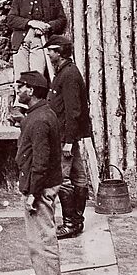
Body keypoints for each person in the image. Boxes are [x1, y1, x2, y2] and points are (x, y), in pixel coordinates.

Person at [15, 69, 64, 275]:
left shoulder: (39, 120)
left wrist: (33, 193)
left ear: (31, 90)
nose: (18, 89)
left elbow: (41, 162)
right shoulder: (42, 114)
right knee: (39, 239)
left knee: (43, 239)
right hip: (41, 185)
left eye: (21, 86)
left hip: (40, 188)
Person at [46, 35, 94, 239]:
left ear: (59, 52)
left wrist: (68, 142)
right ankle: (76, 221)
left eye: (51, 51)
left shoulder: (69, 75)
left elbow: (74, 111)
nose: (48, 54)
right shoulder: (65, 72)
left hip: (66, 137)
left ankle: (71, 223)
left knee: (64, 180)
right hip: (67, 136)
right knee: (79, 178)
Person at [6, 0, 68, 76]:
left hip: (40, 42)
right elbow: (11, 19)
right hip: (21, 43)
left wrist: (48, 26)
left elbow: (61, 19)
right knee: (21, 79)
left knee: (37, 77)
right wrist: (30, 22)